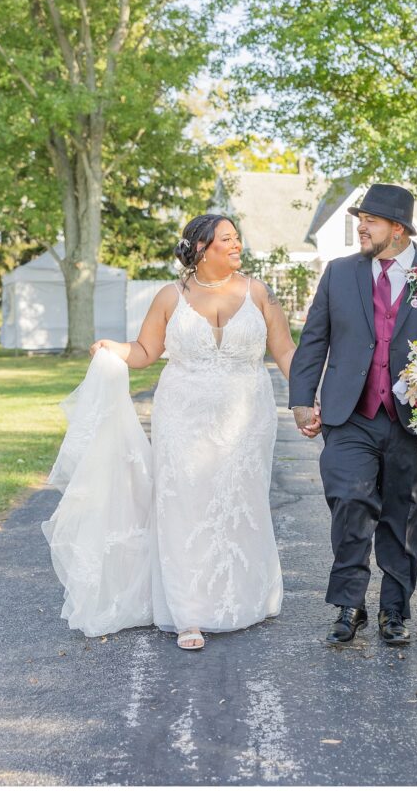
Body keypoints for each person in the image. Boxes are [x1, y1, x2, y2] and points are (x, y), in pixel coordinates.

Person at [43, 214, 307, 650]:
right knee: (183, 504)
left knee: (242, 500)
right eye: (227, 239)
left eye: (238, 238)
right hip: (183, 417)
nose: (237, 245)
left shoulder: (260, 292)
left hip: (247, 416)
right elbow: (146, 351)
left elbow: (285, 351)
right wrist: (114, 349)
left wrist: (311, 395)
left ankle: (243, 598)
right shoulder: (171, 296)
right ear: (201, 248)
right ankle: (188, 613)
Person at [288, 184, 417, 646]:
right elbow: (314, 339)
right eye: (359, 219)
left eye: (369, 220)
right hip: (351, 413)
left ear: (398, 228)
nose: (361, 227)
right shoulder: (338, 273)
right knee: (350, 500)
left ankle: (394, 610)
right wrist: (300, 398)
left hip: (414, 420)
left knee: (403, 514)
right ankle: (349, 603)